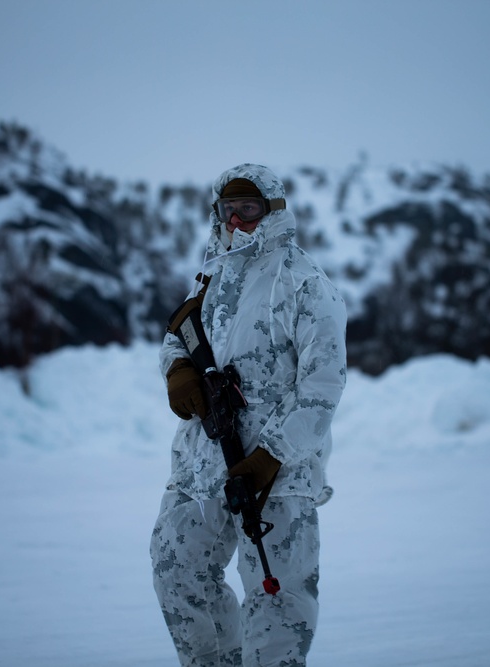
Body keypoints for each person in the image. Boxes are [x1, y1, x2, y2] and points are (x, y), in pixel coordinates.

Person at [150, 163, 347, 667]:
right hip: (202, 463)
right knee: (177, 570)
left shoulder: (305, 284)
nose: (237, 221)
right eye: (227, 210)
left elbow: (322, 387)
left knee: (277, 600)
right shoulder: (213, 273)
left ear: (273, 212)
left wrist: (269, 457)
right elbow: (180, 334)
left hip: (276, 475)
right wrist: (178, 372)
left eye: (250, 209)